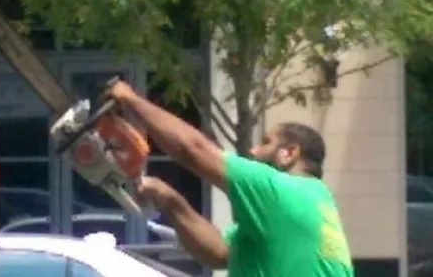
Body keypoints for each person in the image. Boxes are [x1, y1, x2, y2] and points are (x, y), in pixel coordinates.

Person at [105, 80, 354, 277]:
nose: (253, 151)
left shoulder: (281, 191)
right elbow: (220, 253)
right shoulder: (315, 201)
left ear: (288, 153)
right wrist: (171, 201)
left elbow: (194, 150)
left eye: (265, 143)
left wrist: (130, 99)